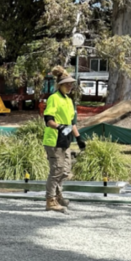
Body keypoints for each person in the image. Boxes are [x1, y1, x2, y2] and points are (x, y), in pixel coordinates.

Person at [42, 68, 86, 213]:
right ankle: (50, 200)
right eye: (66, 84)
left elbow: (72, 123)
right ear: (59, 85)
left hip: (66, 140)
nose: (69, 86)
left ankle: (58, 195)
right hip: (54, 139)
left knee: (65, 170)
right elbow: (48, 120)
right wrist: (58, 126)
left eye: (70, 84)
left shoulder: (69, 101)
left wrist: (79, 138)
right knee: (56, 170)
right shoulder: (54, 98)